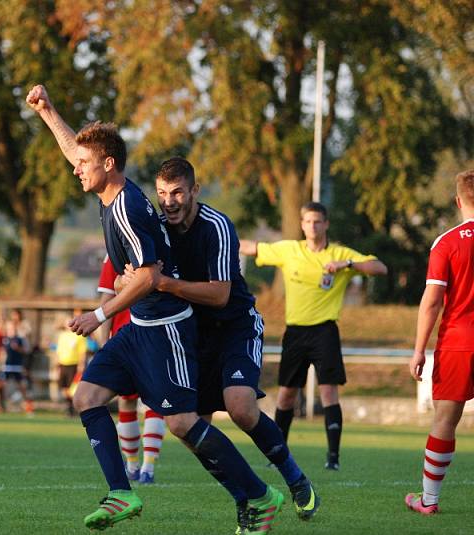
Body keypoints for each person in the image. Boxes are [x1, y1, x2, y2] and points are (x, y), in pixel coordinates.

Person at [27, 84, 283, 534]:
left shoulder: (126, 206)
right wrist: (48, 112)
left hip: (166, 330)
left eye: (83, 166)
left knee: (183, 423)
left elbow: (148, 276)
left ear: (108, 165)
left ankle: (257, 496)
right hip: (140, 327)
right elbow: (78, 151)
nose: (75, 170)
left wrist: (99, 314)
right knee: (86, 397)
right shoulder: (108, 188)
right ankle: (122, 491)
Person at [125, 157, 318, 520]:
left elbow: (219, 295)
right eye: (163, 193)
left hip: (235, 327)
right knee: (185, 425)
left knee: (241, 407)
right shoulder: (156, 226)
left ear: (194, 190)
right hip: (192, 336)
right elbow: (135, 274)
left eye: (178, 192)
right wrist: (127, 282)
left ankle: (296, 480)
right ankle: (247, 497)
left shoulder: (217, 226)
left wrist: (162, 283)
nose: (169, 201)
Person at [239, 201, 387, 470]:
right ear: (302, 224)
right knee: (285, 395)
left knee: (329, 393)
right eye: (307, 221)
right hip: (295, 332)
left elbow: (380, 268)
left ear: (326, 224)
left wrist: (348, 264)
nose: (312, 226)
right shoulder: (289, 250)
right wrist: (220, 237)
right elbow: (250, 247)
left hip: (325, 331)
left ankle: (333, 458)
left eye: (317, 221)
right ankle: (278, 453)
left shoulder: (339, 253)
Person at [405, 169, 474, 515]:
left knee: (445, 420)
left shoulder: (447, 242)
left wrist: (419, 349)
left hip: (459, 342)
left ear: (458, 201)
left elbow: (432, 300)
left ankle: (429, 501)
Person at [98, 256, 167, 484]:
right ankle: (147, 468)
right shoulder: (158, 243)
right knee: (152, 400)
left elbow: (106, 297)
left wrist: (103, 341)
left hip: (127, 334)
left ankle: (134, 466)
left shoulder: (115, 250)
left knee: (127, 401)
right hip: (154, 334)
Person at [54, 312, 88, 417]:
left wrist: (81, 364)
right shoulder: (62, 336)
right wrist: (56, 364)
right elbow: (58, 351)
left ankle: (72, 409)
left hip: (73, 364)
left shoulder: (79, 335)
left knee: (72, 388)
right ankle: (70, 406)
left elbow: (82, 351)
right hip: (63, 364)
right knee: (64, 388)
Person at [2, 319, 34, 415]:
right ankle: (4, 406)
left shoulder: (19, 339)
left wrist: (18, 348)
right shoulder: (5, 339)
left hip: (17, 366)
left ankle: (28, 408)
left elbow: (26, 350)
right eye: (9, 328)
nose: (11, 329)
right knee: (4, 386)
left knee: (21, 387)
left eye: (13, 328)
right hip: (7, 366)